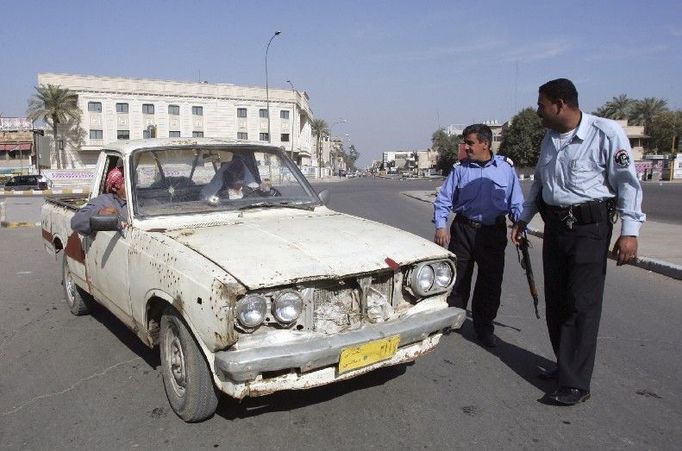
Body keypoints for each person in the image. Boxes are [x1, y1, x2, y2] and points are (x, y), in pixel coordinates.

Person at [511, 78, 645, 406]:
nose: (538, 111)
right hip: (556, 227)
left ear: (560, 104)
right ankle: (564, 366)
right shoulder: (549, 139)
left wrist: (630, 232)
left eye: (542, 105)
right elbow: (540, 183)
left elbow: (628, 184)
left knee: (581, 304)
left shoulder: (605, 133)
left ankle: (576, 384)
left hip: (589, 228)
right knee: (557, 301)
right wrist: (523, 220)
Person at [433, 123, 524, 348]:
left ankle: (484, 327)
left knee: (490, 282)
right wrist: (441, 226)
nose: (466, 147)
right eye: (465, 143)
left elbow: (516, 203)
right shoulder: (459, 169)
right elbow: (444, 199)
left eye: (470, 143)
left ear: (485, 143)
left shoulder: (505, 168)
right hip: (463, 229)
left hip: (492, 232)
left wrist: (520, 225)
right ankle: (453, 319)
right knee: (458, 277)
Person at [71, 167, 128, 235]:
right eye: (127, 183)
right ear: (114, 187)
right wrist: (99, 213)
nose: (134, 186)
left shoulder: (141, 198)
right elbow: (76, 222)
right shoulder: (105, 201)